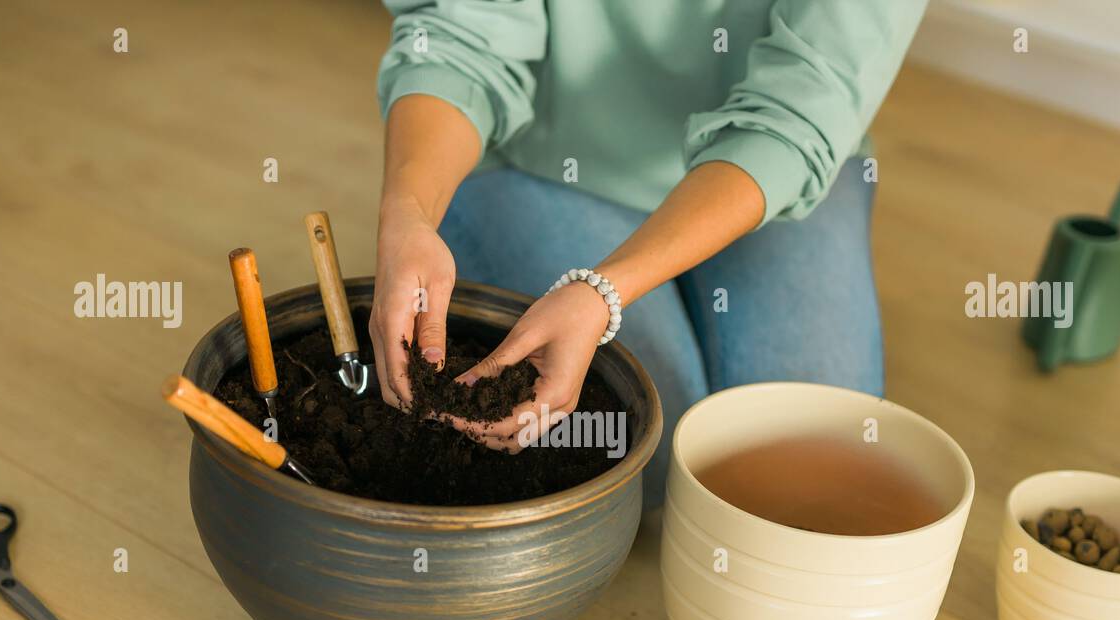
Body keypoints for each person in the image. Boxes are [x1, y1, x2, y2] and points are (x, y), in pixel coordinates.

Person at [371, 0, 928, 506]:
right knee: (651, 451)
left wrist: (602, 292)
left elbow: (803, 110)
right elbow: (460, 38)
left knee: (807, 462)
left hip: (769, 163)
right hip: (548, 154)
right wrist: (408, 211)